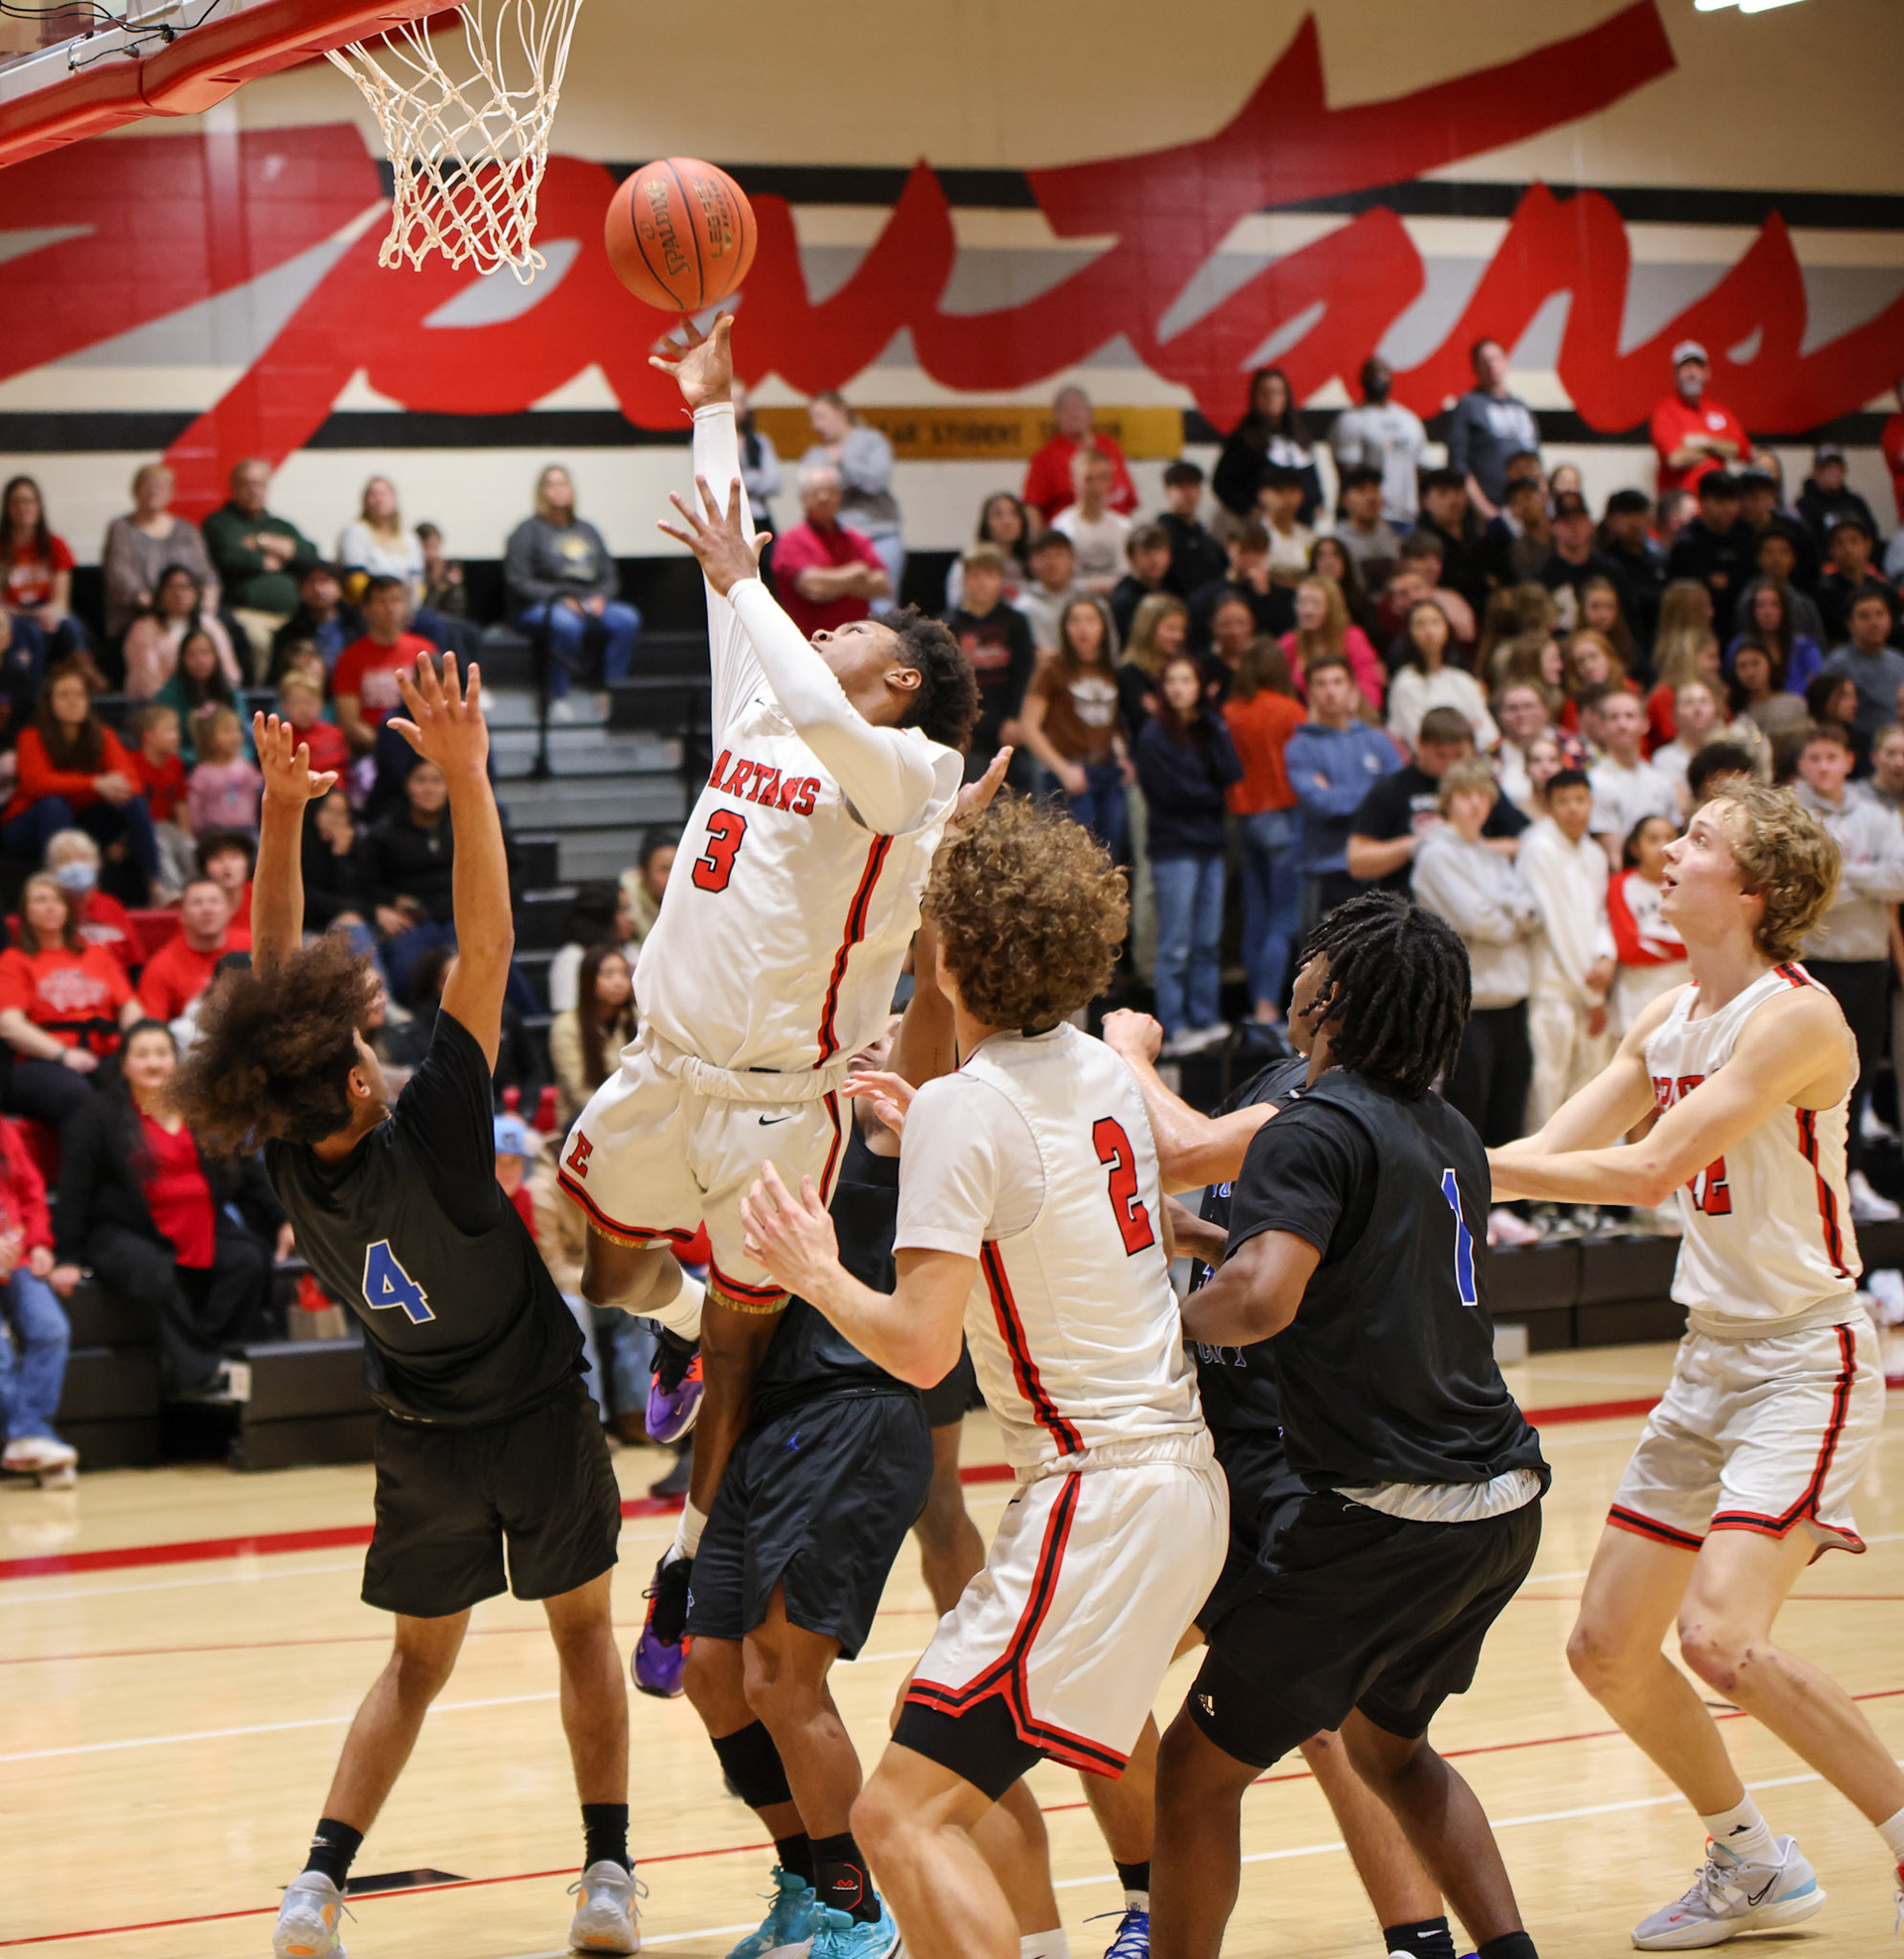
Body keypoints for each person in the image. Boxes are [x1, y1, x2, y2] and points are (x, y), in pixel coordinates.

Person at [172, 672, 641, 1957]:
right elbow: (485, 950)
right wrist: (470, 774)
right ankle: (607, 1870)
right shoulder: (433, 1127)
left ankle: (317, 1883)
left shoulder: (287, 1150)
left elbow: (274, 990)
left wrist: (281, 816)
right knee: (583, 1632)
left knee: (415, 1664)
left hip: (422, 1430)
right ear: (361, 1086)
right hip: (532, 1410)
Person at [557, 315, 984, 1703]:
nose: (822, 625)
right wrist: (713, 403)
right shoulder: (765, 707)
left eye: (850, 625)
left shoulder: (915, 769)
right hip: (662, 1067)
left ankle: (685, 1571)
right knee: (606, 1273)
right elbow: (728, 563)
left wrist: (749, 582)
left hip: (777, 1107)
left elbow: (768, 619)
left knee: (745, 1355)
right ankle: (678, 1322)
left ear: (902, 678)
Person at [737, 795, 1226, 1959]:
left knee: (895, 1816)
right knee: (959, 1769)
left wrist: (814, 1270)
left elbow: (920, 1348)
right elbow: (1038, 1176)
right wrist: (937, 1134)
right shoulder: (1100, 1070)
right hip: (1176, 1482)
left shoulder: (969, 1108)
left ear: (949, 952)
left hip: (1096, 1496)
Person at [1488, 780, 1904, 1950]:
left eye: (1700, 838)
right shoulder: (1669, 1016)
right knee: (1606, 1647)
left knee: (1722, 1637)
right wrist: (1429, 1159)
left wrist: (1439, 1164)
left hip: (1804, 1357)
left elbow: (1645, 1171)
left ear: (1756, 889)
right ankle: (1752, 1861)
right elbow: (1553, 1146)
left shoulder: (1797, 1017)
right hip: (1711, 1356)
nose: (1669, 847)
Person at [1152, 890, 1548, 1959]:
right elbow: (1360, 1264)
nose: (1294, 976)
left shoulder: (1308, 1124)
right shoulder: (1449, 1130)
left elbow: (1263, 1301)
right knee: (1391, 1750)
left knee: (1194, 1769)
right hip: (1502, 1503)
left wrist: (1154, 1325)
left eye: (1312, 963)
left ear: (1329, 998)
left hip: (1387, 1516)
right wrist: (1209, 1238)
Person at [679, 1020, 941, 1959]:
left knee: (784, 1676)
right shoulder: (782, 1133)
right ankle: (803, 1881)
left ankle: (857, 1907)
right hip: (771, 1420)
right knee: (713, 1669)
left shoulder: (902, 1128)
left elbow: (929, 1007)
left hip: (852, 1408)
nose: (868, 1043)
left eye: (888, 1031)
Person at [57, 1017, 280, 1401]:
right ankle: (201, 1375)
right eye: (142, 1055)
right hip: (127, 1230)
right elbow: (75, 1189)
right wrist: (67, 1256)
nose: (154, 1063)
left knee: (248, 1259)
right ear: (124, 1064)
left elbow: (247, 1169)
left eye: (162, 1053)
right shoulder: (97, 1115)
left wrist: (284, 1220)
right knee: (155, 1272)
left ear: (175, 1062)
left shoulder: (199, 1109)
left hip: (201, 1224)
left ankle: (217, 1356)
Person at [1410, 761, 1540, 1239]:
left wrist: (1504, 916)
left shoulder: (1491, 856)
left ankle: (1501, 1206)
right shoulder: (1435, 855)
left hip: (1510, 997)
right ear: (1448, 800)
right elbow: (1478, 918)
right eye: (1466, 795)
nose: (1475, 805)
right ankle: (1461, 1208)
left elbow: (1531, 909)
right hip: (1468, 1001)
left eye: (1483, 796)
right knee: (1467, 1109)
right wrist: (1507, 918)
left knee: (1510, 1104)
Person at [1788, 720, 1904, 1223]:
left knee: (1858, 1078)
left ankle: (1851, 1175)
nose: (1823, 767)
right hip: (1813, 966)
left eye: (1831, 758)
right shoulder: (1794, 816)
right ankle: (1806, 1180)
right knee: (1808, 1078)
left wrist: (1837, 873)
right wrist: (1866, 879)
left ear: (1849, 762)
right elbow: (1802, 887)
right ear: (1801, 765)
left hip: (1868, 965)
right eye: (1814, 758)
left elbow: (1900, 877)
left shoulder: (1877, 814)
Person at [1137, 654, 1242, 1055]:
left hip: (1209, 845)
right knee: (1176, 944)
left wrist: (1215, 722)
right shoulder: (1153, 735)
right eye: (1172, 680)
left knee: (1207, 942)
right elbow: (1170, 793)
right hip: (1174, 848)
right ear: (1163, 688)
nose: (1179, 688)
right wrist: (1210, 795)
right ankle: (1175, 1026)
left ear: (1200, 687)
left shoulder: (1208, 728)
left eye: (1187, 680)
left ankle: (1205, 1018)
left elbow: (1231, 772)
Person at [0, 872, 143, 1133]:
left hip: (105, 1053)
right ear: (26, 913)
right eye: (40, 900)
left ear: (67, 909)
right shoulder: (14, 959)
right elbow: (10, 1025)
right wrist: (63, 1055)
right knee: (77, 1094)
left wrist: (134, 1043)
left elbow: (129, 1006)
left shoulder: (97, 953)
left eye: (57, 899)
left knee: (140, 1081)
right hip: (43, 1061)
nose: (50, 906)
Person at [4, 664, 158, 898]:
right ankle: (56, 889)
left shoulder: (103, 735)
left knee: (133, 802)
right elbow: (36, 783)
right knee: (54, 805)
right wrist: (95, 784)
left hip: (83, 820)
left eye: (79, 695)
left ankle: (156, 885)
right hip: (29, 827)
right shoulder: (31, 736)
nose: (73, 701)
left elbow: (130, 784)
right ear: (49, 702)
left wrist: (112, 795)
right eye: (64, 695)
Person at [1518, 769, 1615, 1139]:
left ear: (1591, 802)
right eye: (1563, 801)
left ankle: (1577, 1174)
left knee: (1586, 1087)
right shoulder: (1539, 848)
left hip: (1590, 985)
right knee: (1548, 1085)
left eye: (1580, 800)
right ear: (1549, 805)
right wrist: (1594, 996)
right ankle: (1537, 1176)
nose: (1573, 809)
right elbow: (1559, 927)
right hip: (1552, 987)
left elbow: (1600, 915)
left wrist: (1606, 956)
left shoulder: (1594, 853)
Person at [1347, 705, 1526, 897]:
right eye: (1441, 755)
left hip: (1477, 895)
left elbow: (1524, 843)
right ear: (1420, 745)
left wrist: (1467, 848)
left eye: (1458, 755)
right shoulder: (1391, 789)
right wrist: (1416, 844)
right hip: (1409, 903)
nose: (1450, 764)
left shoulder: (1482, 788)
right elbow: (1357, 862)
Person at [504, 465, 643, 708]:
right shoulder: (527, 531)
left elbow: (610, 577)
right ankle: (559, 696)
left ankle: (611, 692)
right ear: (541, 491)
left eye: (563, 483)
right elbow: (518, 581)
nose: (559, 490)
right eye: (552, 484)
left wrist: (601, 598)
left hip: (590, 602)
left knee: (627, 618)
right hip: (544, 605)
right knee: (565, 624)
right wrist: (560, 599)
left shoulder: (588, 530)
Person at [1224, 638, 1305, 1025]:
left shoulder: (1231, 713)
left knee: (1255, 914)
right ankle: (1267, 1003)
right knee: (1283, 917)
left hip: (1243, 818)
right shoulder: (1291, 711)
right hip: (1284, 816)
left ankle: (1258, 1001)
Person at [1285, 654, 1402, 920]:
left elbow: (1397, 797)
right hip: (1329, 867)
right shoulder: (1301, 747)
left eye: (1337, 682)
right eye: (1321, 684)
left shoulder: (1377, 740)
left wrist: (1338, 792)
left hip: (1381, 864)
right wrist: (1373, 792)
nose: (1330, 691)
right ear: (1309, 693)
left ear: (1352, 688)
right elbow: (1322, 804)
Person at [1018, 595, 1130, 853]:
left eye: (1091, 620)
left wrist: (1123, 756)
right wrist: (1062, 769)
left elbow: (1115, 723)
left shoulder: (1111, 669)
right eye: (1075, 621)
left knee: (1111, 853)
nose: (1083, 629)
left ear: (1103, 627)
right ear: (1064, 628)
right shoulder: (1052, 669)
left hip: (1108, 771)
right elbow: (1028, 727)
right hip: (1070, 772)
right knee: (1076, 854)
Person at [0, 1114, 74, 1478]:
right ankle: (29, 1440)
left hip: (18, 1259)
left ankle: (27, 1437)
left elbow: (31, 1190)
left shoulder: (5, 1131)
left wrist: (40, 1243)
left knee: (51, 1328)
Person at [336, 474, 472, 658]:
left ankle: (446, 674)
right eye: (373, 494)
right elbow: (355, 580)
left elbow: (417, 583)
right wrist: (384, 607)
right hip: (369, 607)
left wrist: (406, 610)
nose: (378, 499)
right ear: (365, 501)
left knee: (462, 631)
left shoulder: (408, 538)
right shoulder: (355, 532)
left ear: (394, 499)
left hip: (406, 607)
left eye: (383, 494)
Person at [200, 458, 318, 660]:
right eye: (246, 483)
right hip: (245, 614)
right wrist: (266, 560)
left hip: (292, 615)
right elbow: (228, 556)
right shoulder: (219, 523)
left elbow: (310, 552)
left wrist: (262, 541)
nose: (253, 490)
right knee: (258, 643)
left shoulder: (280, 525)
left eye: (259, 484)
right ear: (233, 487)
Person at [804, 391, 903, 614]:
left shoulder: (871, 441)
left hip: (881, 536)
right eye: (813, 419)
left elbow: (876, 482)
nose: (816, 425)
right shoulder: (816, 454)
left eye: (821, 416)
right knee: (843, 606)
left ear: (841, 412)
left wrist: (844, 464)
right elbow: (808, 493)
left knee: (882, 607)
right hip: (841, 541)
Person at [944, 546, 1035, 780]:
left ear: (1000, 579)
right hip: (968, 734)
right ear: (964, 580)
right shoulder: (947, 625)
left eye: (989, 575)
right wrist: (955, 726)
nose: (982, 583)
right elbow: (944, 681)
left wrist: (1016, 717)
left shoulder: (1016, 622)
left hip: (1009, 727)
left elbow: (1025, 673)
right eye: (975, 575)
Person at [774, 463, 893, 642]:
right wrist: (857, 572)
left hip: (856, 644)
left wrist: (830, 584)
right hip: (809, 643)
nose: (823, 497)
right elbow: (813, 588)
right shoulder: (790, 540)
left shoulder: (855, 538)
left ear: (839, 495)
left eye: (830, 490)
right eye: (816, 491)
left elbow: (882, 585)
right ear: (803, 497)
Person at [101, 462, 219, 642]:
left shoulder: (187, 530)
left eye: (160, 486)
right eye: (147, 485)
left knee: (226, 628)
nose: (153, 491)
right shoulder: (121, 529)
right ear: (135, 491)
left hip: (187, 612)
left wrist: (209, 597)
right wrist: (162, 606)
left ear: (171, 492)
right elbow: (120, 578)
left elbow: (205, 572)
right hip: (138, 613)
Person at [333, 577, 440, 755]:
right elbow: (350, 722)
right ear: (366, 609)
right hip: (374, 750)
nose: (390, 608)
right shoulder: (349, 658)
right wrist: (389, 745)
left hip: (425, 745)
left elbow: (437, 703)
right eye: (382, 602)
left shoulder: (424, 650)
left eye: (396, 600)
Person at [1607, 813, 1689, 1037]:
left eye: (1670, 838)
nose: (1663, 847)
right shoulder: (1622, 883)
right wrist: (1681, 946)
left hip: (1684, 987)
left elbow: (1703, 938)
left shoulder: (1689, 883)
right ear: (1635, 848)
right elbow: (1629, 948)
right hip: (1638, 991)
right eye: (1653, 839)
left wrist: (1654, 939)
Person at [1386, 599, 1497, 755]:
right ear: (1409, 632)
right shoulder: (1406, 683)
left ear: (1447, 628)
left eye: (1435, 622)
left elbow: (1488, 733)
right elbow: (1419, 740)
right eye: (1420, 624)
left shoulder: (1463, 680)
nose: (1429, 631)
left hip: (1475, 760)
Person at [1215, 366, 1322, 527]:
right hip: (1263, 527)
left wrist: (1318, 502)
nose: (1272, 398)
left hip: (1302, 525)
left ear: (1286, 396)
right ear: (1255, 397)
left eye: (1277, 392)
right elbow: (1222, 483)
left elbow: (1312, 478)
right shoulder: (1243, 439)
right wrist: (1249, 509)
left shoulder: (1300, 434)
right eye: (1265, 393)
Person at [1447, 338, 1540, 522]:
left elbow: (1536, 462)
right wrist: (1485, 510)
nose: (1492, 366)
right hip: (1487, 513)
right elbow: (1458, 464)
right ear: (1476, 367)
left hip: (1525, 513)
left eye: (1496, 359)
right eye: (1485, 361)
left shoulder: (1521, 407)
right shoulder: (1468, 405)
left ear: (1506, 362)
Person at [1330, 355, 1427, 530]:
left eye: (1383, 374)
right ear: (1363, 380)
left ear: (1392, 379)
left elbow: (1422, 469)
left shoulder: (1409, 421)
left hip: (1408, 515)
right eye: (1373, 375)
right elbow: (1349, 475)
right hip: (1371, 518)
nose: (1379, 380)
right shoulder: (1351, 421)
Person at [138, 877, 249, 1025]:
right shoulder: (161, 966)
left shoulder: (253, 947)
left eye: (214, 901)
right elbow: (152, 1028)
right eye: (197, 903)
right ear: (182, 914)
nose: (207, 910)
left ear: (229, 910)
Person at [1, 474, 85, 668]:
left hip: (47, 610)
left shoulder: (56, 545)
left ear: (38, 506)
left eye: (28, 501)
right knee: (28, 631)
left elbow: (61, 601)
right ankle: (32, 684)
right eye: (16, 502)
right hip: (13, 614)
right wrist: (31, 615)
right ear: (7, 508)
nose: (23, 508)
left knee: (72, 628)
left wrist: (47, 613)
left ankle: (83, 678)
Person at [122, 563, 240, 701]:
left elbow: (230, 674)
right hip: (160, 703)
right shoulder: (144, 629)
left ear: (196, 592)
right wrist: (171, 700)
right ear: (160, 593)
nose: (179, 594)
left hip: (209, 702)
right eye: (172, 588)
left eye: (185, 587)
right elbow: (146, 680)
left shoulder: (210, 626)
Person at [550, 942, 637, 1131]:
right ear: (589, 980)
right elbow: (578, 1092)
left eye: (624, 973)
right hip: (583, 1122)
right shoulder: (567, 1026)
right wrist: (624, 1116)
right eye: (609, 974)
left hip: (634, 1116)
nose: (619, 981)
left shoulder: (637, 1019)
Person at [1021, 385, 1137, 522]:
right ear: (1056, 416)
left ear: (1090, 413)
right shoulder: (1045, 456)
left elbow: (1127, 497)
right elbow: (1032, 506)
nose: (1073, 414)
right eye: (1066, 409)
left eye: (1078, 407)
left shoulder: (1110, 446)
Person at [1590, 691, 1680, 868]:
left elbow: (1674, 839)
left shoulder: (1661, 781)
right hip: (1624, 877)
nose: (1622, 724)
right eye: (1614, 717)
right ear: (1601, 727)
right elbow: (1614, 859)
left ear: (1645, 724)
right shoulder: (1595, 782)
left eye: (1630, 716)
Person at [1649, 340, 1747, 497]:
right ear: (1675, 374)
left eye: (1697, 366)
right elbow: (1676, 459)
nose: (1692, 372)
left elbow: (1741, 450)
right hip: (1681, 500)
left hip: (1719, 498)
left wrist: (1704, 442)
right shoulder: (1664, 411)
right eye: (1685, 367)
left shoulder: (1720, 410)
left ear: (1707, 372)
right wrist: (1717, 451)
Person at [1667, 471, 1755, 644]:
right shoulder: (1687, 543)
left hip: (1744, 625)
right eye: (1720, 501)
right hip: (1700, 628)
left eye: (1733, 500)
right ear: (1703, 502)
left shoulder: (1747, 535)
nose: (1728, 508)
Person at [1280, 575, 1384, 711]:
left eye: (1315, 604)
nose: (1307, 611)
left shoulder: (1352, 638)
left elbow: (1369, 688)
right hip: (1304, 715)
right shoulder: (1290, 642)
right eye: (1302, 603)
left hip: (1349, 714)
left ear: (1331, 608)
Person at [1820, 589, 1904, 744]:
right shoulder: (1838, 664)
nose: (1874, 623)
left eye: (1880, 614)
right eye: (1864, 616)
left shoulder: (1898, 660)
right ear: (1850, 624)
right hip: (1859, 743)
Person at [1538, 491, 1629, 634]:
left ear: (1589, 524)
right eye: (1567, 521)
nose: (1574, 527)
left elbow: (1629, 620)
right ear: (1553, 527)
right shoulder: (1544, 576)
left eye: (1580, 519)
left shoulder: (1612, 571)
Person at [156, 626, 245, 768]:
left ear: (215, 656)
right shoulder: (167, 696)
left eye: (205, 653)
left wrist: (232, 758)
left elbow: (244, 734)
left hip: (232, 764)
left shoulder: (230, 692)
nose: (200, 660)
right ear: (182, 659)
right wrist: (206, 759)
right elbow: (166, 744)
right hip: (188, 767)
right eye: (192, 655)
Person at [547, 880, 639, 1018]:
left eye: (629, 909)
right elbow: (568, 1015)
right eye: (622, 910)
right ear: (602, 917)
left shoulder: (631, 951)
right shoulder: (572, 959)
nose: (631, 918)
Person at [1816, 512, 1901, 651]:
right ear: (1831, 550)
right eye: (1840, 543)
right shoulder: (1825, 594)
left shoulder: (1883, 590)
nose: (1848, 549)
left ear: (1868, 545)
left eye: (1854, 541)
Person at [1052, 448, 1131, 598]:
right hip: (1075, 600)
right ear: (1074, 482)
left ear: (1110, 482)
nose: (1095, 486)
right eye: (1088, 479)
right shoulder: (1061, 527)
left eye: (1102, 478)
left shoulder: (1123, 526)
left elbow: (1126, 574)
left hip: (1116, 599)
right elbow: (1060, 577)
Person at [1727, 577, 1823, 697]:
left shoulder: (1805, 647)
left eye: (1775, 605)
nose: (1768, 612)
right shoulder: (1739, 647)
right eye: (1760, 605)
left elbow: (1816, 684)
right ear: (1752, 611)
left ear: (1784, 609)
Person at [270, 562, 364, 680]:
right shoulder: (288, 634)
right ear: (300, 592)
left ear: (340, 589)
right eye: (310, 582)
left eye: (324, 581)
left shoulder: (359, 627)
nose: (317, 589)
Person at [942, 492, 1032, 613]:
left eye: (1014, 513)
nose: (1007, 521)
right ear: (986, 523)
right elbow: (957, 608)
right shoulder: (966, 563)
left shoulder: (1033, 562)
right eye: (998, 514)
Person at [185, 706, 264, 838]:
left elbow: (261, 789)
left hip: (247, 829)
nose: (235, 736)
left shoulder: (245, 766)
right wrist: (199, 832)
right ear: (210, 739)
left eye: (237, 730)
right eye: (228, 731)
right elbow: (194, 806)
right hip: (215, 832)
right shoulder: (202, 773)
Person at [1797, 443, 1882, 560]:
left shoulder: (1856, 503)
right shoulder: (1804, 506)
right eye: (1827, 467)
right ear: (1815, 472)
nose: (1834, 472)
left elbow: (1872, 536)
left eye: (1837, 467)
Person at [1156, 459, 1228, 598]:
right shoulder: (1162, 534)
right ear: (1167, 491)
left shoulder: (1204, 536)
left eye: (1193, 486)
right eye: (1180, 486)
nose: (1187, 493)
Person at [1329, 465, 1402, 595]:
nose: (1371, 497)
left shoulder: (1392, 535)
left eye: (1375, 489)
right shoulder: (1337, 541)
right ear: (1344, 500)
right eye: (1361, 490)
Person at [1728, 642, 1809, 745]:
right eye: (1743, 666)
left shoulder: (1794, 703)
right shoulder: (1738, 713)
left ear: (1769, 664)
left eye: (1756, 663)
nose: (1750, 672)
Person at [618, 826, 677, 954]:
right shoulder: (626, 906)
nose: (672, 876)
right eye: (664, 869)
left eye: (676, 868)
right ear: (643, 872)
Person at [734, 383, 783, 533]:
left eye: (742, 401)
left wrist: (743, 482)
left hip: (759, 518)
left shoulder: (759, 442)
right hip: (728, 520)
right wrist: (755, 478)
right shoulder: (709, 443)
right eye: (733, 400)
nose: (739, 407)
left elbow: (774, 482)